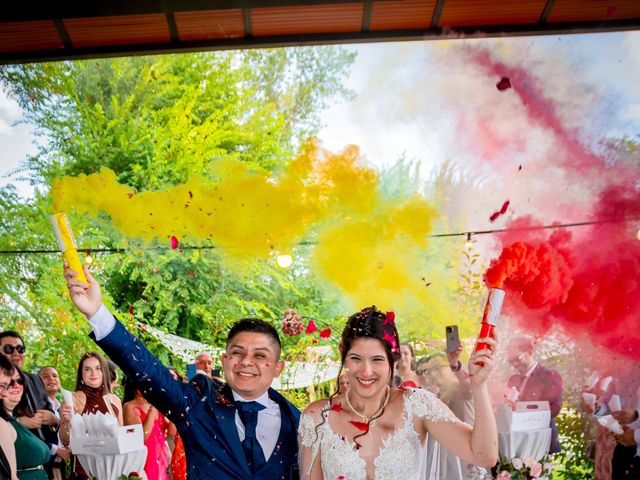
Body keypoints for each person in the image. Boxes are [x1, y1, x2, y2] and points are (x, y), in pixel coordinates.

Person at [64, 264, 300, 480]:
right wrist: (97, 314)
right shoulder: (198, 402)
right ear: (226, 360)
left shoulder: (300, 421)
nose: (247, 362)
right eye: (238, 353)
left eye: (260, 355)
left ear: (278, 367)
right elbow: (149, 371)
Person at [298, 306, 498, 480]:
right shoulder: (317, 417)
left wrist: (479, 386)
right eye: (356, 358)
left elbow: (484, 456)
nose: (366, 371)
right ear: (343, 355)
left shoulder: (416, 405)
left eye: (377, 360)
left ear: (393, 360)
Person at [59, 352, 123, 480]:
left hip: (112, 469)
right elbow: (65, 441)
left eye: (98, 368)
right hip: (83, 471)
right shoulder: (72, 399)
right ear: (81, 374)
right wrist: (66, 422)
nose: (93, 373)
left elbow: (122, 435)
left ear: (104, 371)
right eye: (87, 369)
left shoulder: (114, 400)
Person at [0, 332, 59, 462]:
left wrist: (54, 419)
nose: (16, 353)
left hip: (44, 460)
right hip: (12, 461)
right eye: (9, 349)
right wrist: (20, 423)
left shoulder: (35, 379)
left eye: (20, 349)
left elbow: (49, 411)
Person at [506, 336, 563, 454]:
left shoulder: (549, 376)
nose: (515, 364)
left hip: (540, 442)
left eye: (517, 358)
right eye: (511, 361)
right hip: (517, 441)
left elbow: (554, 409)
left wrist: (522, 410)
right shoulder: (513, 379)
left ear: (529, 351)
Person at [0, 355, 50, 480]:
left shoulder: (15, 420)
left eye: (20, 381)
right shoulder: (2, 424)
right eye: (7, 384)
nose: (16, 386)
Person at [123, 376, 175, 480]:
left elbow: (171, 432)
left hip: (161, 455)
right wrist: (152, 412)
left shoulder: (155, 403)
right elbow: (140, 438)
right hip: (146, 457)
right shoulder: (129, 406)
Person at [37, 367, 70, 480]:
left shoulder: (62, 408)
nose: (51, 379)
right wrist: (57, 450)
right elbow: (33, 436)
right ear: (37, 383)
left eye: (55, 376)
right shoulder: (36, 407)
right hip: (43, 465)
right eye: (45, 377)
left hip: (61, 465)